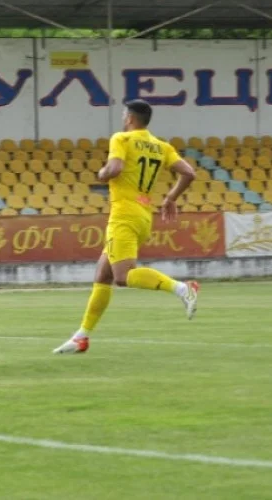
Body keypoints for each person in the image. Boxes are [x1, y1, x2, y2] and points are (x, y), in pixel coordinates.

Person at [53, 100, 200, 355]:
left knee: (122, 277)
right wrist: (170, 198)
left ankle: (182, 288)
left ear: (130, 118)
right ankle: (81, 337)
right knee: (103, 276)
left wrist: (101, 174)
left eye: (124, 114)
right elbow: (189, 173)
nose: (122, 118)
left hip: (123, 215)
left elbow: (115, 168)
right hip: (143, 215)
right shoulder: (161, 146)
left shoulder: (121, 138)